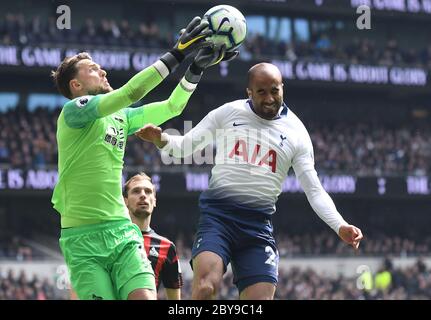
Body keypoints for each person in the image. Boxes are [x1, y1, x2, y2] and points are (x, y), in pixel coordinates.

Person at [135, 62, 364, 300]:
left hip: (256, 226)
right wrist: (161, 139)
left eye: (274, 91)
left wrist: (340, 225)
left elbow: (314, 190)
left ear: (282, 88)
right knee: (205, 288)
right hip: (218, 218)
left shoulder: (297, 133)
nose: (269, 98)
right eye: (261, 92)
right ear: (249, 92)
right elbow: (185, 147)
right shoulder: (227, 113)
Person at [50, 16, 233, 300]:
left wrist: (194, 68)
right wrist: (178, 53)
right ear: (75, 85)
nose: (103, 70)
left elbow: (173, 106)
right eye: (93, 69)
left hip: (122, 233)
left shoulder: (121, 116)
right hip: (82, 241)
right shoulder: (73, 112)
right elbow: (131, 92)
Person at [124, 172, 183, 300]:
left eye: (148, 191)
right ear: (125, 201)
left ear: (154, 201)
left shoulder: (167, 247)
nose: (143, 195)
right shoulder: (112, 239)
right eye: (136, 191)